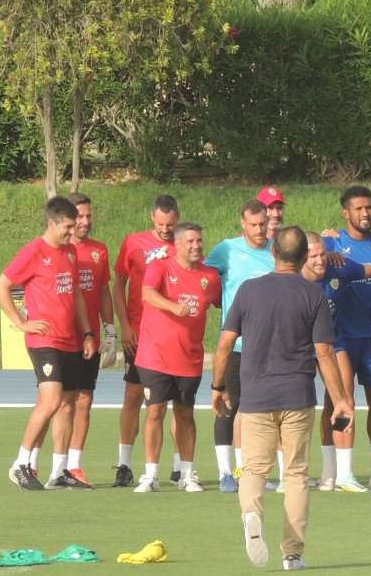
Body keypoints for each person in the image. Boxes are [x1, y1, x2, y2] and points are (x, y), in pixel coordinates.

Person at [212, 226, 354, 571]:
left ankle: (251, 514)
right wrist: (341, 399)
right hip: (297, 394)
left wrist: (218, 386)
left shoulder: (247, 290)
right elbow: (323, 351)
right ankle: (292, 554)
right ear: (305, 256)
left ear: (273, 252)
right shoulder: (313, 295)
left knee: (255, 469)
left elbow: (225, 343)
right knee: (295, 475)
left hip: (256, 396)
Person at [0, 196, 97, 491]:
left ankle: (60, 471)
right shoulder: (33, 252)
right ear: (51, 223)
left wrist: (88, 332)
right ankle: (20, 464)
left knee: (67, 405)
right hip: (44, 339)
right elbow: (0, 287)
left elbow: (76, 294)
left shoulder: (70, 252)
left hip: (70, 339)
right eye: (67, 225)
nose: (72, 230)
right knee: (51, 400)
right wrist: (22, 323)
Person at [299, 232, 371, 491]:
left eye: (322, 253)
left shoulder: (338, 267)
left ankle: (342, 475)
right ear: (301, 257)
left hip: (332, 343)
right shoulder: (292, 281)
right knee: (293, 406)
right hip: (297, 347)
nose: (320, 260)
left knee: (344, 399)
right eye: (313, 256)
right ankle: (308, 474)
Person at [132, 222, 222, 493]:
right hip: (154, 355)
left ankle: (186, 474)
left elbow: (223, 301)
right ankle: (150, 475)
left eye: (199, 241)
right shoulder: (161, 266)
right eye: (191, 241)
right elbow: (147, 294)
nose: (196, 246)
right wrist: (174, 307)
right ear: (178, 245)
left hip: (189, 357)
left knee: (185, 414)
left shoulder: (210, 276)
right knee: (155, 412)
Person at [324, 186, 371, 491]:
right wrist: (323, 248)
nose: (365, 214)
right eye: (358, 209)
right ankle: (337, 472)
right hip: (341, 337)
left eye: (368, 208)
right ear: (346, 213)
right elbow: (307, 252)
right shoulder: (331, 243)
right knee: (340, 402)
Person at [205, 200, 275, 493]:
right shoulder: (226, 250)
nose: (260, 230)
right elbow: (202, 276)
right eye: (254, 225)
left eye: (263, 224)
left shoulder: (277, 250)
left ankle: (255, 471)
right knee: (228, 406)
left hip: (269, 346)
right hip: (235, 344)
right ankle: (225, 474)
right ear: (243, 224)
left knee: (262, 411)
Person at [111, 194, 180, 487]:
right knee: (133, 397)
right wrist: (124, 326)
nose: (166, 229)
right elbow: (118, 286)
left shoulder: (186, 243)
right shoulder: (133, 242)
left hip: (173, 335)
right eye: (162, 224)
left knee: (178, 403)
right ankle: (124, 465)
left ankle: (179, 468)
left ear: (178, 217)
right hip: (139, 335)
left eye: (171, 223)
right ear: (152, 217)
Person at [57, 192, 116, 488]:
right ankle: (47, 464)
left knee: (85, 399)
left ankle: (75, 466)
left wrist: (110, 329)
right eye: (79, 216)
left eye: (89, 216)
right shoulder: (58, 248)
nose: (85, 221)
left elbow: (104, 291)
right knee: (58, 400)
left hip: (90, 336)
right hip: (63, 336)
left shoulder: (99, 250)